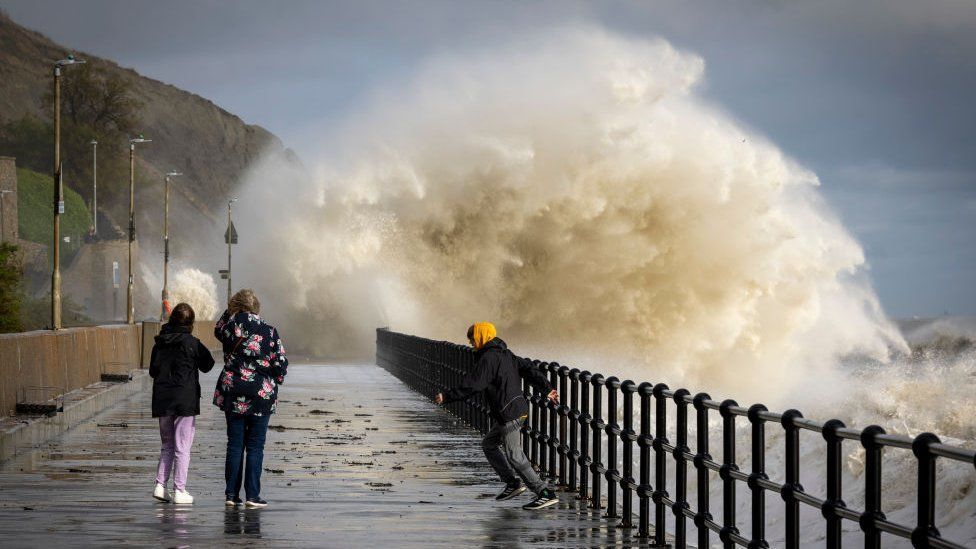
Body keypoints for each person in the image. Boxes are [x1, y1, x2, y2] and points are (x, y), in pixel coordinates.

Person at [435, 322, 560, 511]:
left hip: (509, 413)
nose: (471, 343)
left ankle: (544, 493)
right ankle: (513, 484)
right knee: (489, 444)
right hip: (514, 409)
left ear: (482, 336)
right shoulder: (505, 353)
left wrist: (447, 396)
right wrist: (547, 388)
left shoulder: (489, 358)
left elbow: (474, 385)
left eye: (472, 339)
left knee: (514, 455)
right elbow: (529, 369)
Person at [213, 289, 289, 509]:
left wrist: (230, 312)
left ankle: (231, 494)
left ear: (234, 307)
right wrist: (273, 379)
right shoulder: (270, 332)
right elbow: (281, 364)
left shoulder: (227, 329)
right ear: (257, 308)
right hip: (261, 395)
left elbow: (217, 328)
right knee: (255, 447)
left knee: (235, 446)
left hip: (233, 392)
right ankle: (252, 497)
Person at [149, 302, 216, 504]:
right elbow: (209, 365)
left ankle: (160, 486)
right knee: (182, 446)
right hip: (184, 401)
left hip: (162, 399)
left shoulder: (159, 343)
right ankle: (180, 489)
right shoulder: (192, 343)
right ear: (191, 323)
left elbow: (153, 371)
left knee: (167, 444)